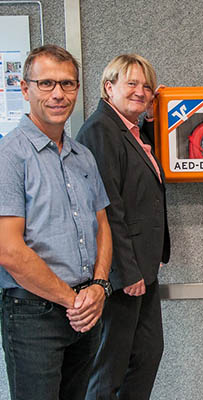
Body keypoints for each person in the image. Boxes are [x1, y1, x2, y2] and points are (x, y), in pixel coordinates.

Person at [0, 44, 112, 400]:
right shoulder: (10, 156)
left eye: (68, 84)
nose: (58, 94)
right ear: (24, 88)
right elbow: (9, 250)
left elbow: (102, 226)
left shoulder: (83, 155)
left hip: (83, 310)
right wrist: (72, 301)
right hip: (33, 314)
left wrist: (98, 286)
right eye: (46, 83)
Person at [76, 54, 170, 400]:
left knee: (147, 355)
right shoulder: (101, 131)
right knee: (109, 367)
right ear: (108, 87)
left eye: (146, 85)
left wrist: (154, 121)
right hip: (121, 275)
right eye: (131, 83)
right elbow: (108, 208)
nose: (140, 91)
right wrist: (125, 271)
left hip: (142, 270)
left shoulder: (130, 130)